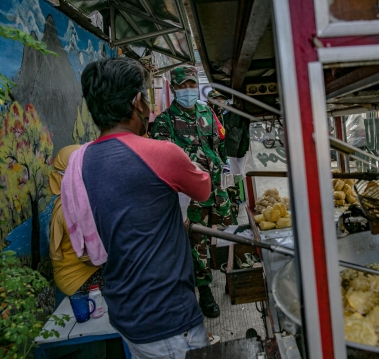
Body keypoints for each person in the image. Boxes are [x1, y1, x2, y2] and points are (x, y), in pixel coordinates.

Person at [64, 57, 212, 358]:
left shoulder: (79, 163)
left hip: (125, 314)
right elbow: (204, 189)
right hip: (170, 320)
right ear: (137, 103)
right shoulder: (162, 154)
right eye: (145, 97)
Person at [151, 65, 232, 318]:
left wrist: (223, 177)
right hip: (188, 196)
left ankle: (213, 272)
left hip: (215, 190)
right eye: (183, 86)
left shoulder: (207, 111)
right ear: (174, 88)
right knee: (195, 243)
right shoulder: (165, 122)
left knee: (213, 236)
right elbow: (163, 163)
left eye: (191, 85)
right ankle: (204, 290)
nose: (188, 90)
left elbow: (218, 146)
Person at [49, 144, 104, 297]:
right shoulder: (72, 210)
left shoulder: (69, 201)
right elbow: (90, 258)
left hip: (84, 271)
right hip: (79, 278)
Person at [207, 89, 250, 225]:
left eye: (221, 100)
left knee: (234, 195)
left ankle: (234, 222)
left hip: (232, 163)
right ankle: (224, 225)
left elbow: (244, 139)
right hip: (216, 167)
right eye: (216, 101)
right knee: (220, 198)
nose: (220, 103)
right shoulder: (207, 119)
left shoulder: (233, 116)